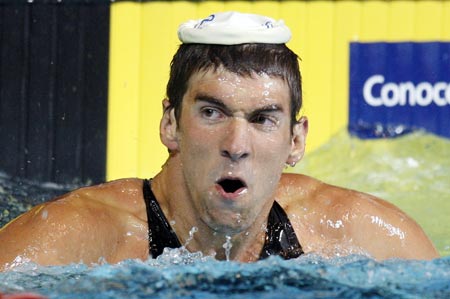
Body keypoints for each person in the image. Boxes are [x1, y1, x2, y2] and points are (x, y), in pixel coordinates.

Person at [0, 12, 439, 271]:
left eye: (263, 119)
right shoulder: (73, 237)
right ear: (170, 123)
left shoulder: (364, 235)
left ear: (296, 141)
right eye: (212, 112)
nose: (236, 144)